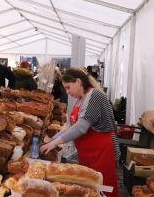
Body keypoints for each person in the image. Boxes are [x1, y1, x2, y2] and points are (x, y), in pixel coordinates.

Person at [40, 67, 120, 197]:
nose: (67, 92)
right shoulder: (81, 98)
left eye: (68, 87)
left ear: (78, 82)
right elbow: (70, 125)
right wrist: (54, 138)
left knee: (102, 187)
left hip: (101, 152)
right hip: (88, 153)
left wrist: (54, 144)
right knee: (89, 188)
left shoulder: (94, 96)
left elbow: (81, 127)